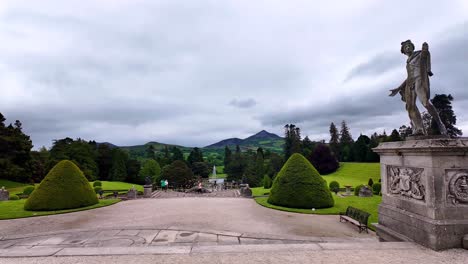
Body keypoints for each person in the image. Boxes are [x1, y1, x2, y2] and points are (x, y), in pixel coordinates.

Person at [389, 40, 447, 136]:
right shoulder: (407, 62)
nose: (407, 48)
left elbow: (426, 55)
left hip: (420, 79)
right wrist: (399, 88)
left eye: (409, 46)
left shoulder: (419, 54)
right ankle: (419, 129)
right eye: (405, 47)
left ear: (413, 47)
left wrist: (428, 68)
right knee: (410, 106)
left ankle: (440, 123)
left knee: (425, 103)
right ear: (403, 51)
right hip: (410, 83)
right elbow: (409, 77)